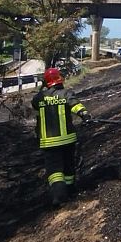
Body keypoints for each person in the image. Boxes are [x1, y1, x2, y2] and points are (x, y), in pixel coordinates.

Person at [31, 67, 92, 206]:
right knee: (68, 166)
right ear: (60, 79)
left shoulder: (39, 98)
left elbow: (35, 108)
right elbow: (76, 106)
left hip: (49, 142)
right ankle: (70, 190)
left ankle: (59, 196)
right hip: (67, 140)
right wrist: (85, 115)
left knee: (54, 170)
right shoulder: (66, 94)